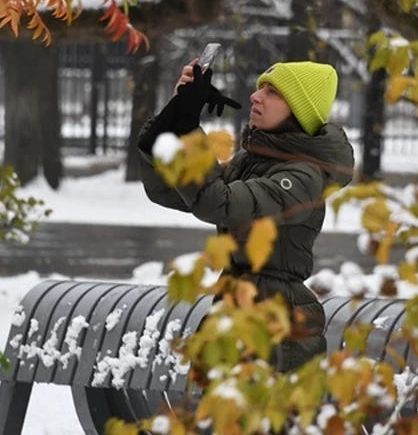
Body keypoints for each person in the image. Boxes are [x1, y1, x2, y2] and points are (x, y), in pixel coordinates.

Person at [136, 59, 355, 371]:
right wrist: (176, 113)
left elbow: (216, 202)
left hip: (277, 327)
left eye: (273, 92)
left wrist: (186, 129)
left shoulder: (304, 175)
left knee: (262, 419)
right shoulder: (250, 161)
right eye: (260, 88)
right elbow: (168, 191)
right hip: (235, 310)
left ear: (299, 109)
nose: (256, 96)